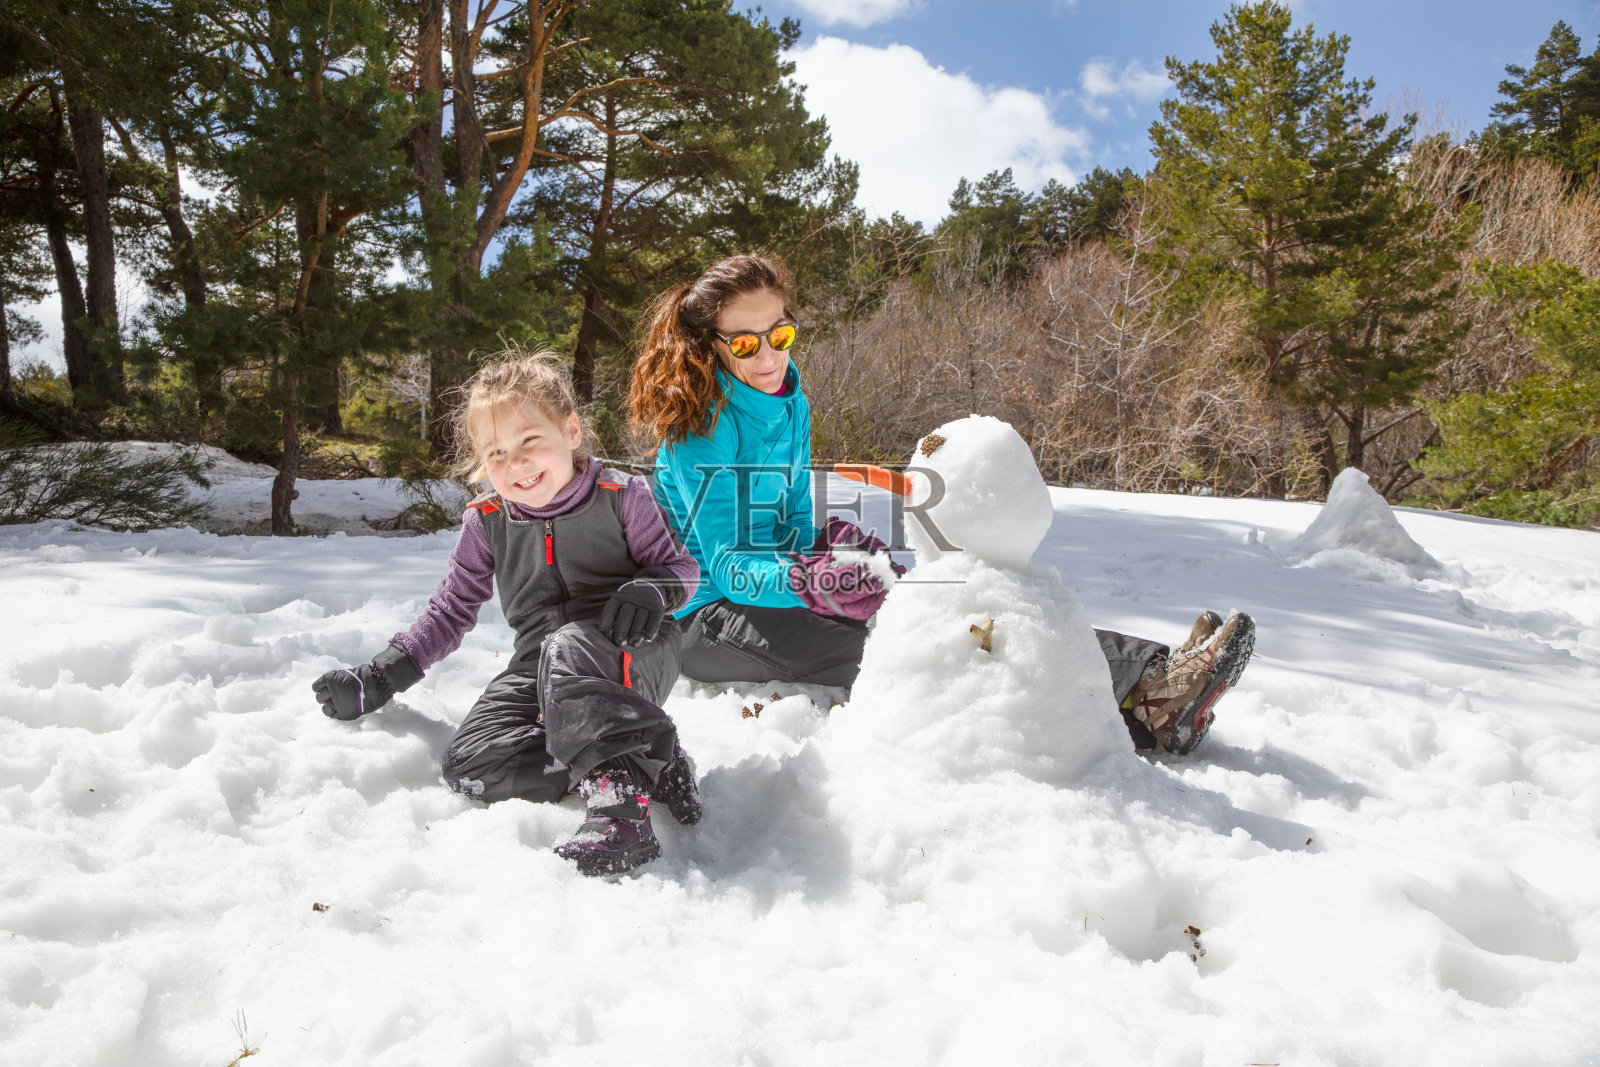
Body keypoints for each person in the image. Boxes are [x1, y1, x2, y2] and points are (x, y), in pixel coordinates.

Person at [628, 253, 1254, 756]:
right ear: (710, 345)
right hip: (708, 619)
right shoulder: (699, 431)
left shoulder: (790, 402)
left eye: (781, 334)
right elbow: (732, 564)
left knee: (934, 598)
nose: (768, 356)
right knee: (915, 643)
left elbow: (791, 514)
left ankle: (1152, 671)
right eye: (745, 345)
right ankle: (1148, 701)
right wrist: (809, 578)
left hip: (778, 588)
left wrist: (826, 549)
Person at [312, 350, 703, 877]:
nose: (515, 464)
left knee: (569, 646)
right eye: (495, 451)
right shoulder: (487, 521)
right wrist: (380, 676)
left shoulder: (621, 497)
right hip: (538, 667)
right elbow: (451, 610)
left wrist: (653, 590)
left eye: (529, 441)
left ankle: (619, 811)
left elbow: (679, 567)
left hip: (631, 653)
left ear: (571, 431)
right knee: (471, 765)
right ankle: (646, 757)